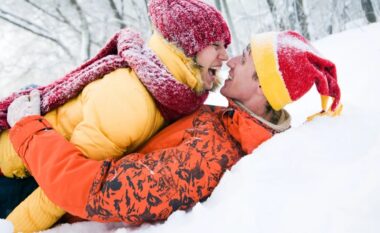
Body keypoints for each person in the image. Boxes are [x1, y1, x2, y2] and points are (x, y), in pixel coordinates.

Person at [6, 30, 342, 227]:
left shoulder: (208, 158)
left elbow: (93, 191)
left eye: (244, 59)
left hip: (40, 192)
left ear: (261, 88)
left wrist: (28, 128)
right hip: (50, 158)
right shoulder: (225, 121)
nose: (231, 61)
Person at [2, 0, 231, 231]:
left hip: (32, 167)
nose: (225, 56)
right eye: (215, 45)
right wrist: (12, 228)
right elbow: (62, 185)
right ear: (186, 45)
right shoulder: (132, 100)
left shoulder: (167, 96)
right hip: (16, 177)